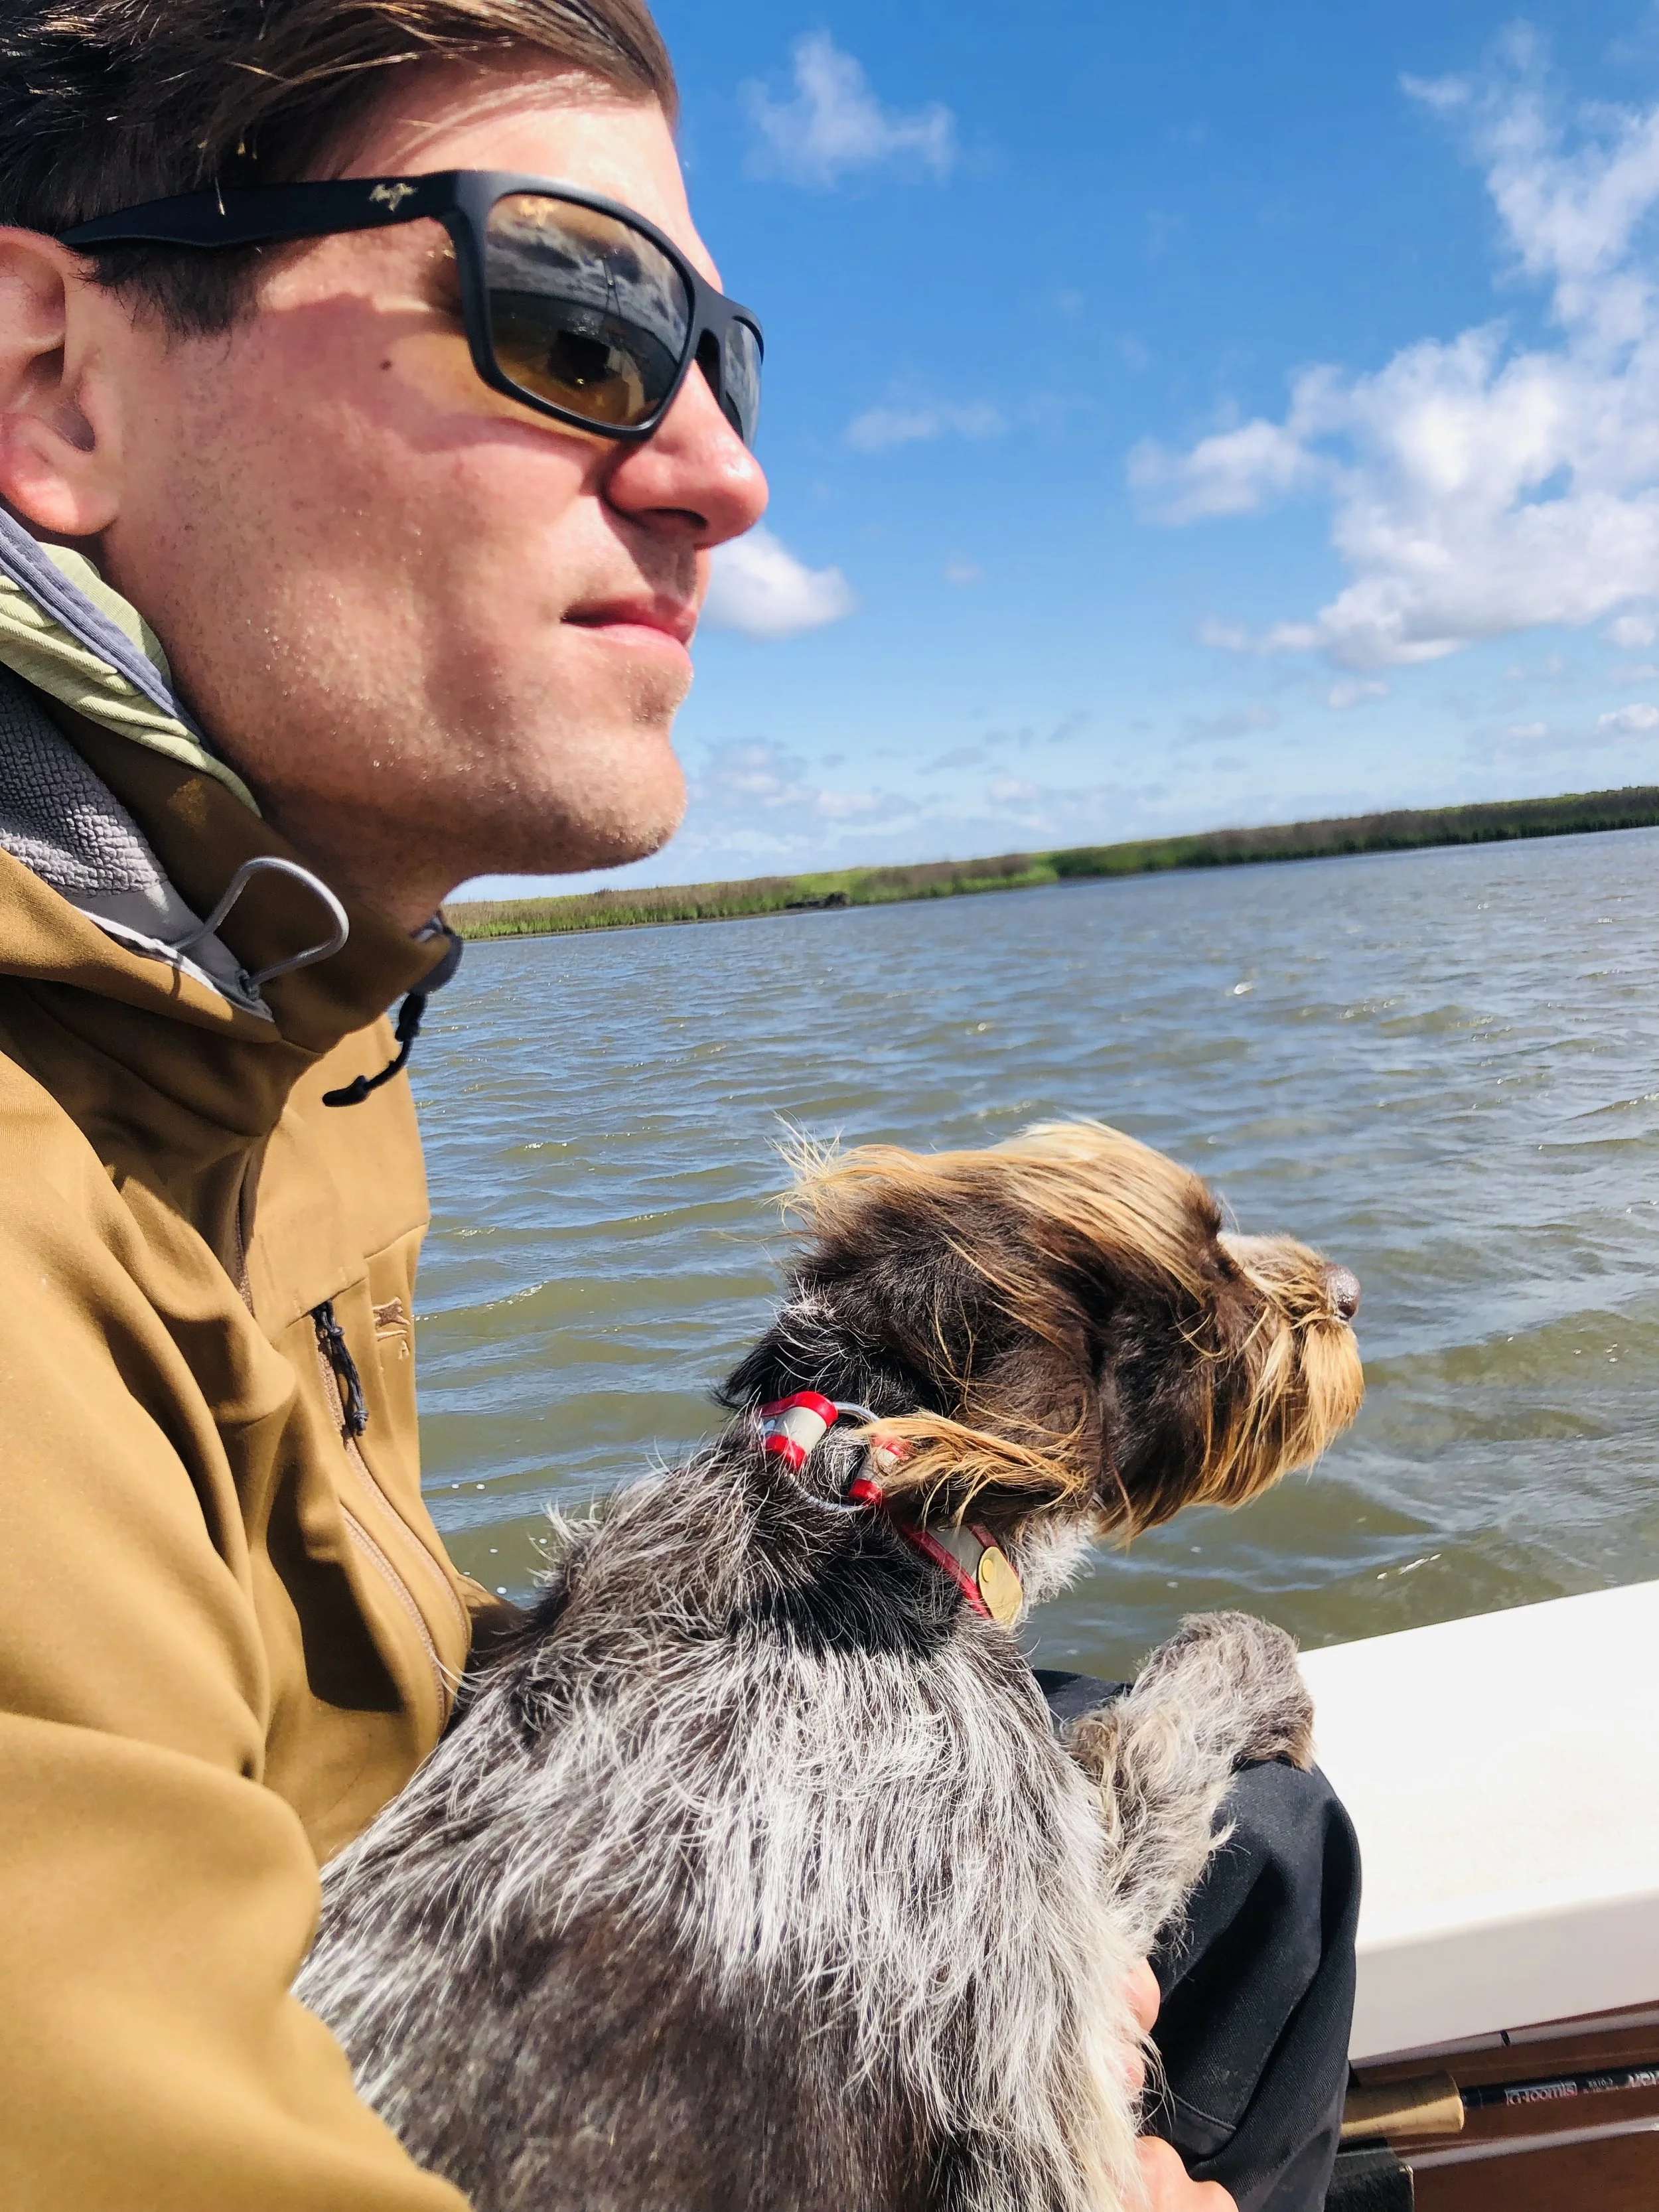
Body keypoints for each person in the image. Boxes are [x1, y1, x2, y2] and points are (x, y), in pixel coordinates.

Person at [0, 3, 1342, 2205]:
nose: (726, 468)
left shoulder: (279, 1016)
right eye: (576, 314)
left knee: (1259, 1847)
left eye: (722, 348)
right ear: (56, 373)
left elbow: (323, 1712)